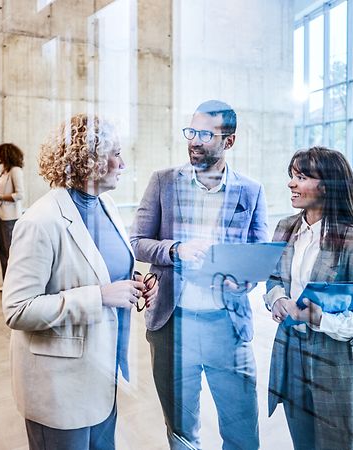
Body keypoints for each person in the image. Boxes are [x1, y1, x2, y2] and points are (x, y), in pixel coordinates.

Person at [2, 114, 158, 450]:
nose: (123, 162)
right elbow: (17, 309)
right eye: (116, 152)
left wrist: (134, 281)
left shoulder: (108, 206)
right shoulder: (40, 221)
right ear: (91, 161)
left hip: (102, 373)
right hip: (60, 386)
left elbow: (102, 268)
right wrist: (100, 296)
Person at [130, 100, 268, 450]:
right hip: (173, 327)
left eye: (205, 134)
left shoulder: (251, 191)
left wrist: (245, 278)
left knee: (242, 434)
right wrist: (175, 250)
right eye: (190, 131)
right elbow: (137, 242)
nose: (193, 141)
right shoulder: (163, 182)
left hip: (228, 328)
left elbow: (257, 255)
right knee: (181, 432)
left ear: (229, 141)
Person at [264, 146, 353, 450]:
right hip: (289, 355)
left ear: (328, 184)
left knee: (337, 444)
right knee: (301, 442)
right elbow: (274, 279)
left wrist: (322, 319)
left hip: (333, 363)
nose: (291, 183)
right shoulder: (285, 228)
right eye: (291, 176)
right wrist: (278, 299)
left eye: (301, 177)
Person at [0, 143, 24, 288]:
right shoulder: (4, 171)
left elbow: (19, 195)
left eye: (0, 154)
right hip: (0, 214)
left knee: (11, 252)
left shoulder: (15, 171)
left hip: (11, 217)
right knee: (2, 251)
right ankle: (7, 282)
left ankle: (14, 285)